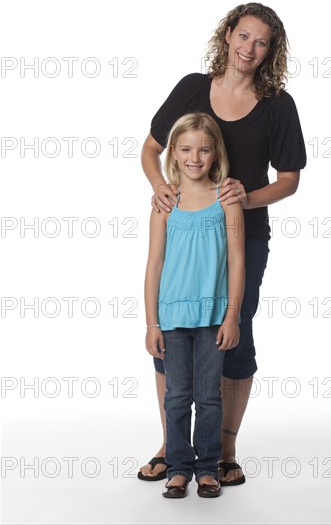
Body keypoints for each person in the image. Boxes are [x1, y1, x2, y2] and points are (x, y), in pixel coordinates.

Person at [139, 2, 307, 486]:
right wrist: (160, 187)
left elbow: (290, 179)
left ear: (269, 51)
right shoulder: (193, 87)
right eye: (244, 36)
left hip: (243, 236)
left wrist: (246, 197)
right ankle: (173, 445)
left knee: (232, 334)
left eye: (261, 42)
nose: (249, 49)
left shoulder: (278, 104)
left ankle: (223, 449)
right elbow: (152, 148)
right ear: (228, 33)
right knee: (171, 335)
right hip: (187, 230)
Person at [144, 112, 245, 498]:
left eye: (204, 149)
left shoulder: (227, 200)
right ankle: (180, 465)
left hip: (212, 315)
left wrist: (232, 315)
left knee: (208, 395)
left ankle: (207, 467)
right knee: (176, 395)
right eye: (185, 149)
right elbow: (154, 263)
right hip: (171, 316)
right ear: (173, 152)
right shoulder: (165, 202)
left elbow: (237, 260)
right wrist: (152, 323)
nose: (195, 158)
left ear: (215, 152)